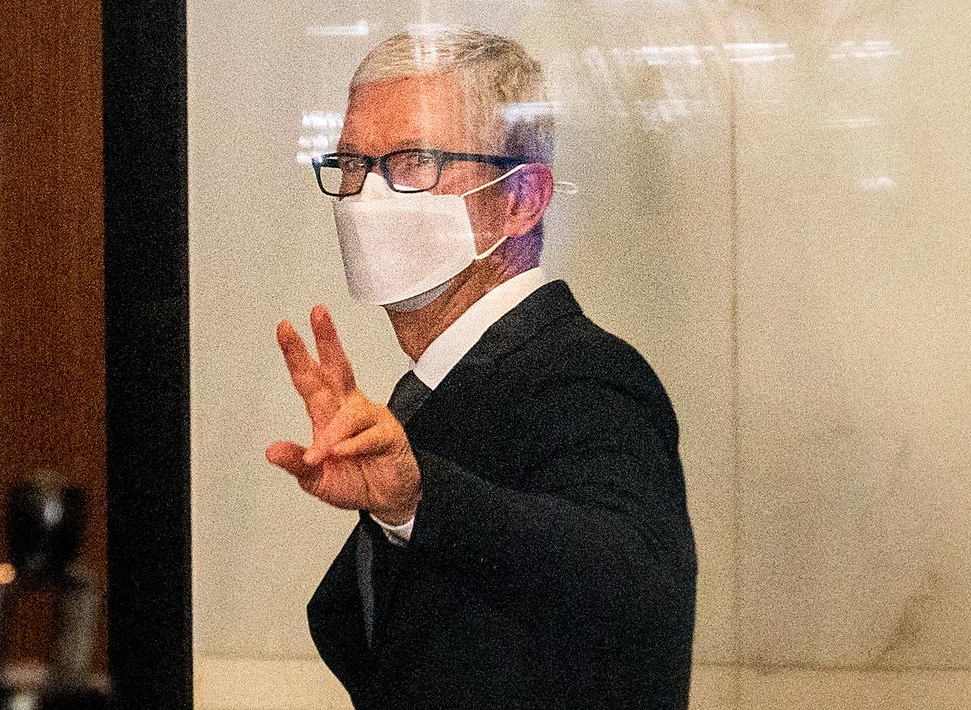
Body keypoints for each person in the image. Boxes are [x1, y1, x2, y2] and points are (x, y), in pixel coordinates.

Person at [265, 25, 697, 709]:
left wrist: (418, 501)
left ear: (522, 199)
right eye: (352, 163)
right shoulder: (439, 386)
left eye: (413, 161)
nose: (367, 197)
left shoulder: (585, 376)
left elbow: (635, 589)